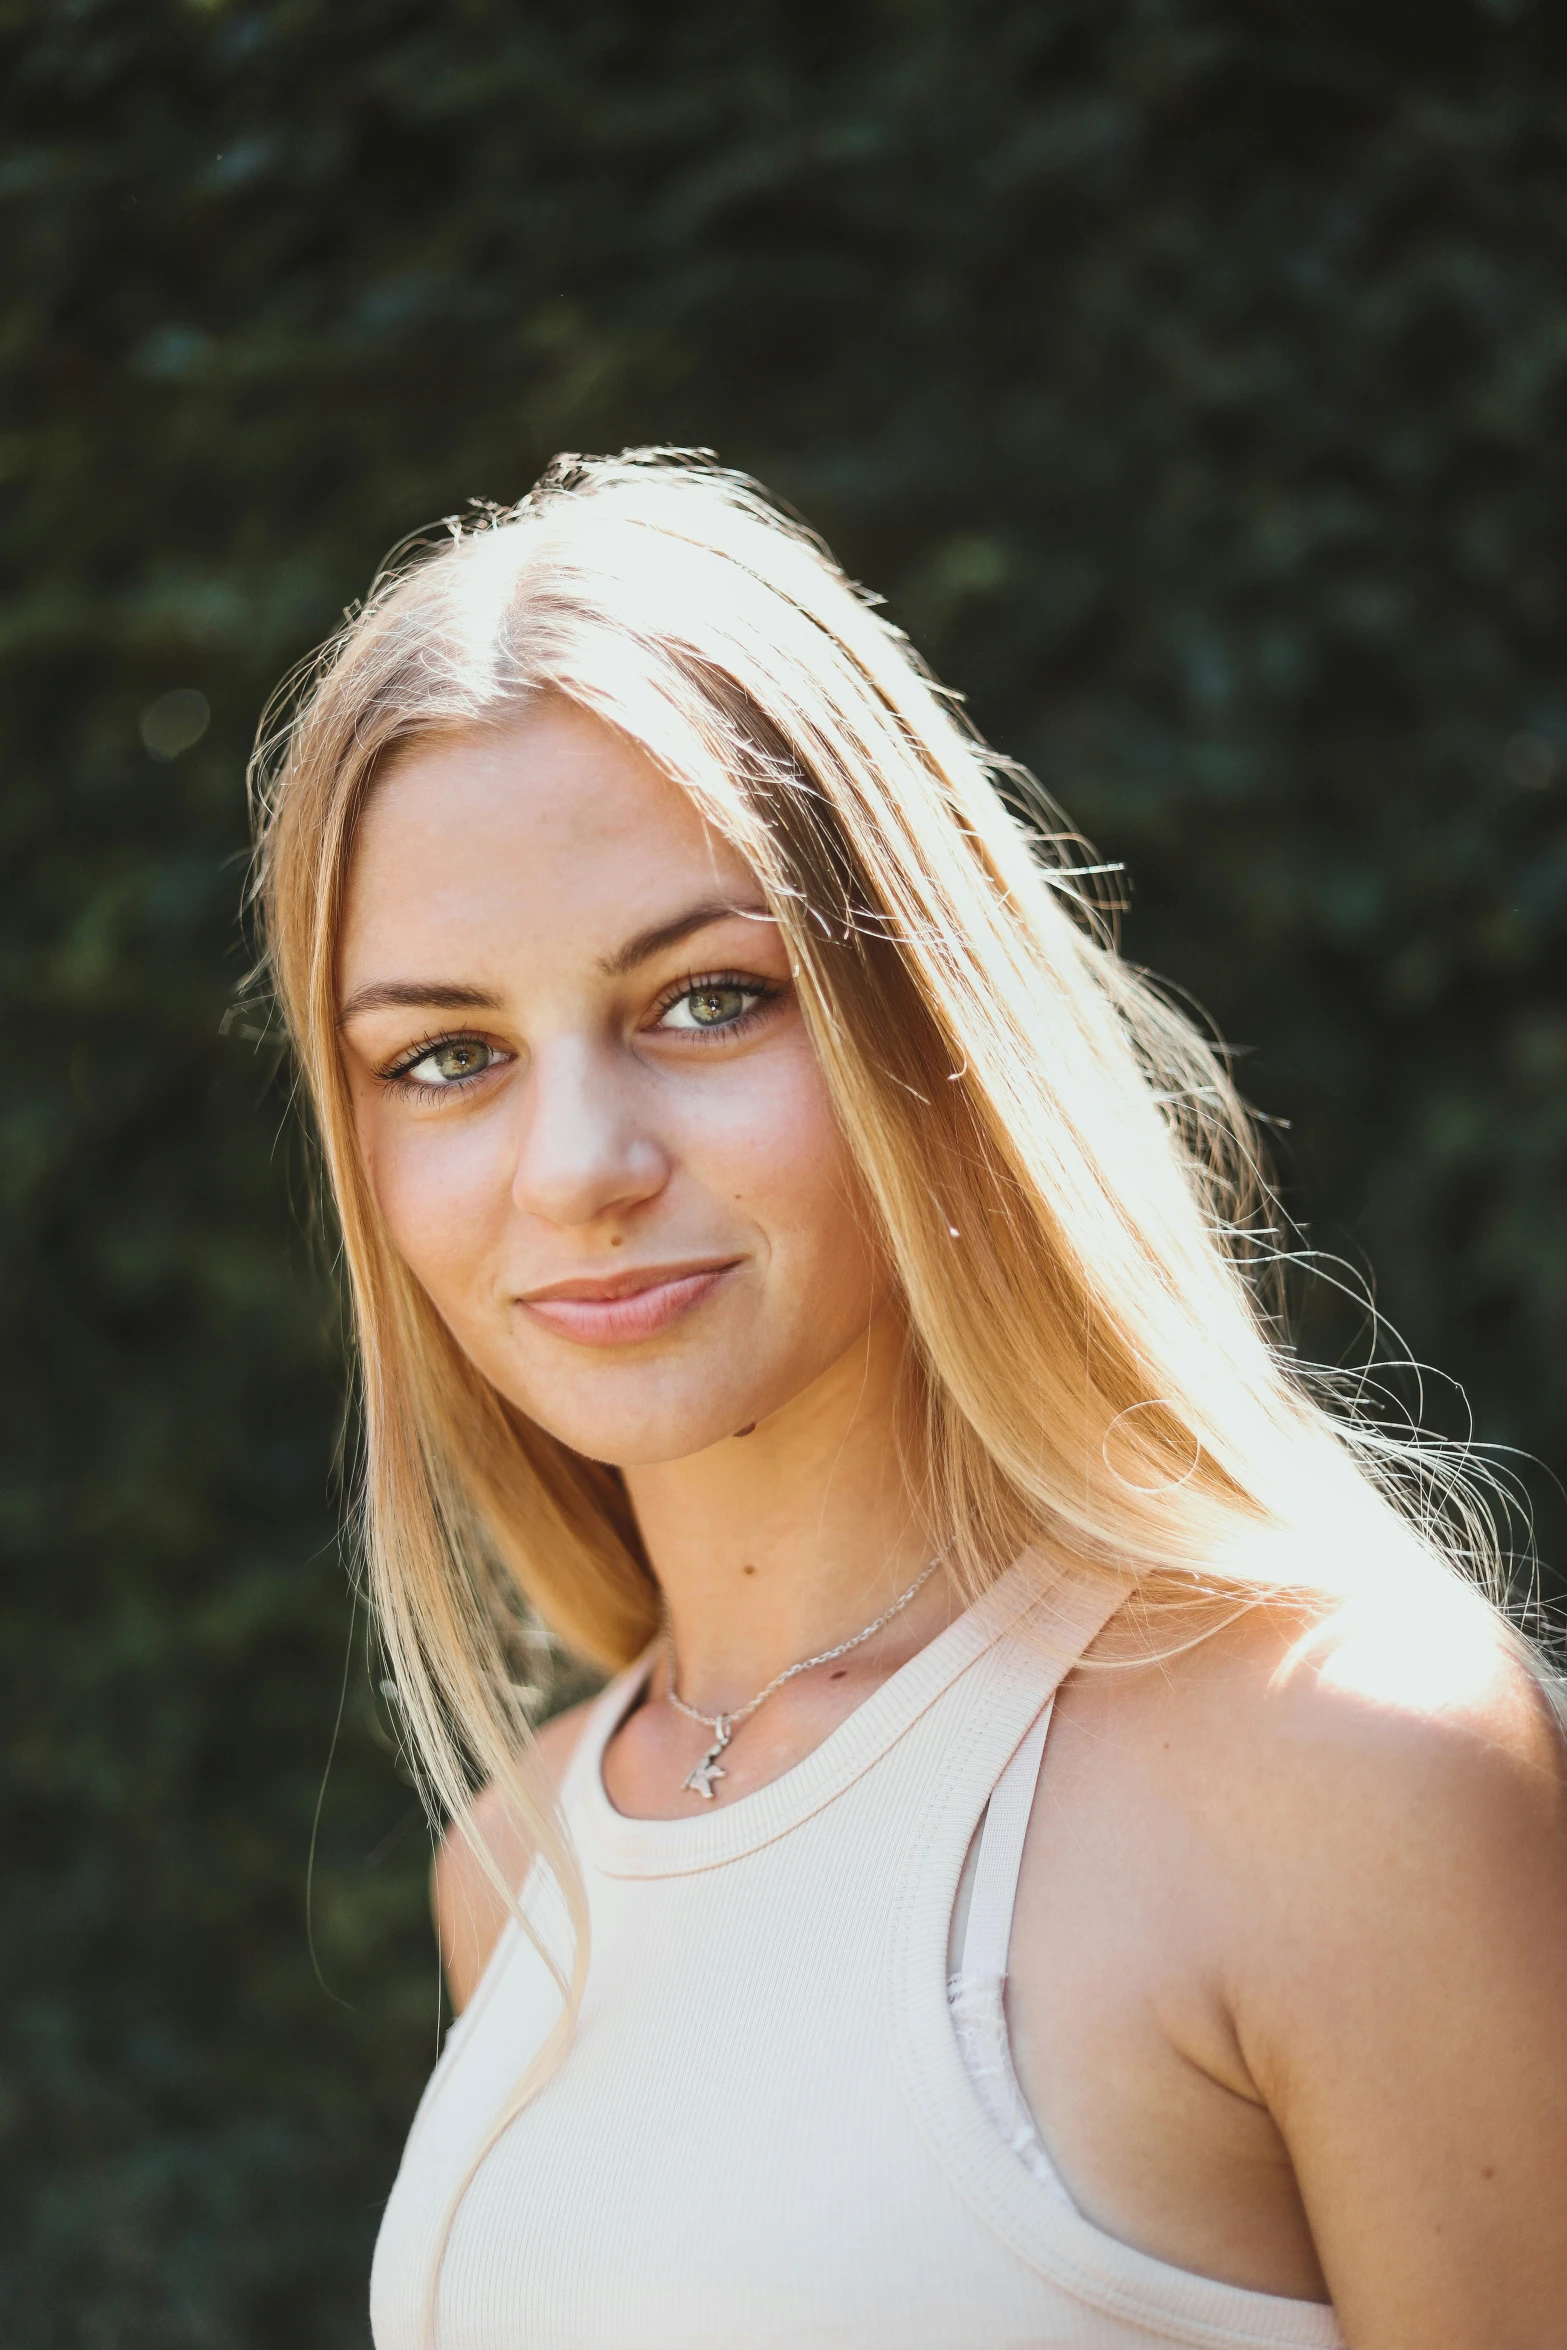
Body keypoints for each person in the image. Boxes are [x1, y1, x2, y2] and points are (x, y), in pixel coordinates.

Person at [251, 449, 1567, 2350]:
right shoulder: (523, 1870)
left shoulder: (1341, 1765)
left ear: (926, 1024)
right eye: (445, 1055)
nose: (576, 1166)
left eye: (706, 999)